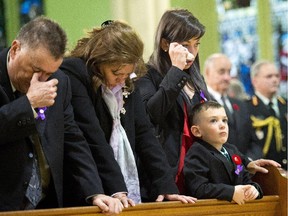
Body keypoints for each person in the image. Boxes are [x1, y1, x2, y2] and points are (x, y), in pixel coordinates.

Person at [136, 9, 281, 194]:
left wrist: (243, 162)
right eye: (185, 45)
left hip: (201, 174)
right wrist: (176, 70)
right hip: (166, 176)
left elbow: (211, 128)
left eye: (196, 44)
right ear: (165, 44)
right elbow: (152, 115)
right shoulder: (148, 76)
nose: (192, 53)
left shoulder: (196, 80)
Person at [60, 20, 196, 204]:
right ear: (101, 60)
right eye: (116, 73)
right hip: (88, 185)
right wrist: (117, 189)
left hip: (120, 186)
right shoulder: (75, 72)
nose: (121, 80)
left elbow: (144, 134)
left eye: (126, 74)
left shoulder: (127, 79)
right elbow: (93, 136)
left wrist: (166, 186)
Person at [0, 16, 124, 214]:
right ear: (15, 49)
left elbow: (73, 139)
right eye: (36, 70)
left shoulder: (60, 81)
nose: (41, 80)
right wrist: (28, 104)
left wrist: (95, 192)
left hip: (48, 205)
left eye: (49, 73)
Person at [184, 101, 263, 205]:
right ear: (197, 131)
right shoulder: (197, 153)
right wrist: (231, 192)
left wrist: (254, 188)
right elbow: (199, 188)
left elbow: (244, 177)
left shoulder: (232, 150)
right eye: (213, 121)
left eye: (224, 120)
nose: (222, 125)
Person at [203, 53, 256, 155]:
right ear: (207, 72)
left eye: (229, 72)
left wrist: (248, 162)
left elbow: (253, 141)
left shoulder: (241, 105)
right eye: (221, 72)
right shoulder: (202, 103)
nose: (227, 77)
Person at [246, 60, 287, 170]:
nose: (275, 80)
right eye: (269, 76)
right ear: (255, 81)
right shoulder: (247, 108)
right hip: (265, 174)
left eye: (277, 76)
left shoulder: (285, 105)